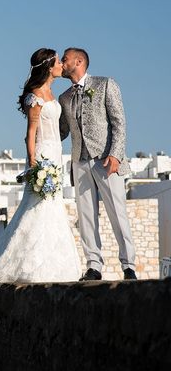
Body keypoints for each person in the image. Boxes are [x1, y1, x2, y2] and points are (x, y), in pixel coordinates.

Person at [0, 48, 80, 283]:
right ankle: (26, 264)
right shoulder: (35, 96)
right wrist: (33, 161)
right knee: (37, 205)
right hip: (42, 154)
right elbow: (30, 133)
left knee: (53, 206)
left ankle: (54, 264)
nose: (62, 65)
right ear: (48, 67)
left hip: (56, 153)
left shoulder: (53, 94)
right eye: (58, 62)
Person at [59, 48, 137, 280]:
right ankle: (94, 266)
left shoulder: (105, 84)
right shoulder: (64, 97)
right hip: (79, 162)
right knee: (86, 218)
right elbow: (62, 130)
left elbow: (119, 123)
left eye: (65, 59)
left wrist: (115, 154)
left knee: (117, 214)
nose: (62, 63)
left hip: (106, 160)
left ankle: (128, 266)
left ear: (79, 61)